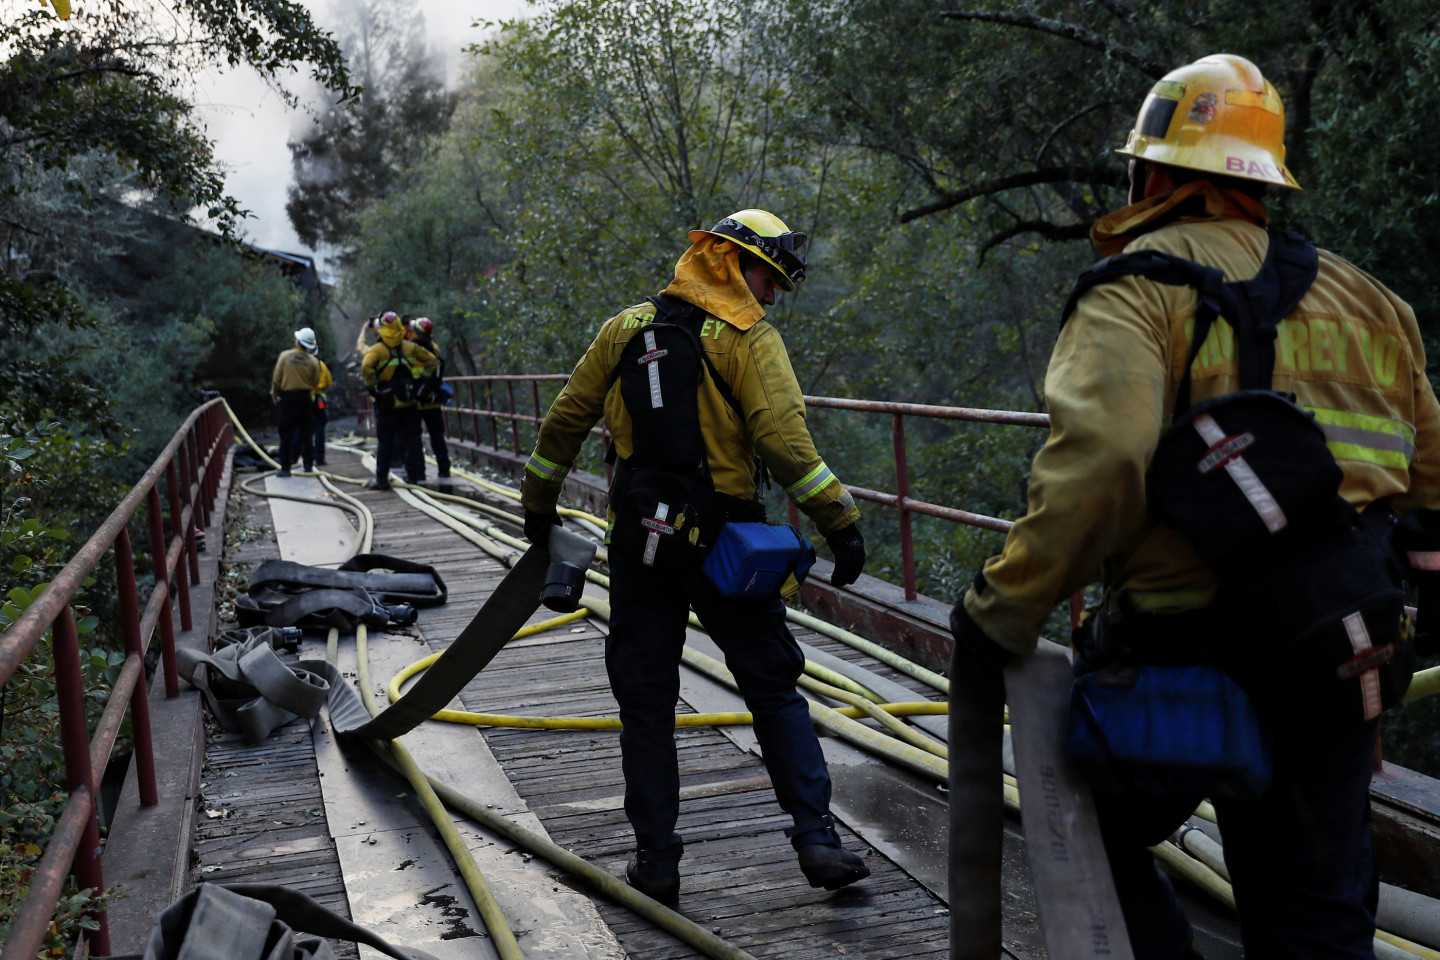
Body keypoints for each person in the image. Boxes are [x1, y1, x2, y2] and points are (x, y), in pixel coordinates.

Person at [948, 54, 1440, 959]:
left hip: (1179, 652)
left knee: (1084, 831)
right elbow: (1432, 485)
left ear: (1154, 174)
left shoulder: (1138, 288)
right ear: (1264, 179)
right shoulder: (1376, 304)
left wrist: (1002, 610)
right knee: (1318, 922)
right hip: (1338, 652)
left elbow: (1101, 467)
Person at [519, 209, 872, 905]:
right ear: (730, 262)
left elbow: (565, 418)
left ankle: (657, 863)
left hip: (642, 541)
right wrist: (841, 521)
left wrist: (538, 505)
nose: (772, 297)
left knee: (646, 700)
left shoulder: (625, 329)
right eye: (768, 280)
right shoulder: (748, 338)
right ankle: (818, 841)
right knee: (772, 687)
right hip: (727, 545)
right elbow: (783, 442)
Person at [361, 312, 437, 490]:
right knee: (412, 439)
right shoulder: (410, 347)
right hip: (409, 403)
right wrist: (422, 383)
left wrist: (373, 389)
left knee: (385, 441)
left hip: (387, 404)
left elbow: (366, 367)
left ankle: (382, 479)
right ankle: (414, 476)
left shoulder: (377, 350)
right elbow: (432, 360)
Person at [271, 327, 323, 478]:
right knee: (307, 432)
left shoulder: (285, 356)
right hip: (305, 398)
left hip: (288, 398)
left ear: (298, 342)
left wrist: (275, 394)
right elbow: (315, 382)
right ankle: (308, 466)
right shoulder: (313, 361)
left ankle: (285, 468)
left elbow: (277, 378)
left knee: (286, 432)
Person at [408, 317, 451, 479]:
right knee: (437, 436)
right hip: (432, 399)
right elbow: (438, 373)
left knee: (414, 438)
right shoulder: (434, 347)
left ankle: (418, 473)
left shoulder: (410, 348)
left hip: (415, 401)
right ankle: (444, 470)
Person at [310, 343, 333, 468]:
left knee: (305, 429)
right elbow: (329, 381)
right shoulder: (321, 365)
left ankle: (307, 458)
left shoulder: (302, 366)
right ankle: (320, 458)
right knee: (320, 428)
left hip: (306, 400)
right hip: (319, 400)